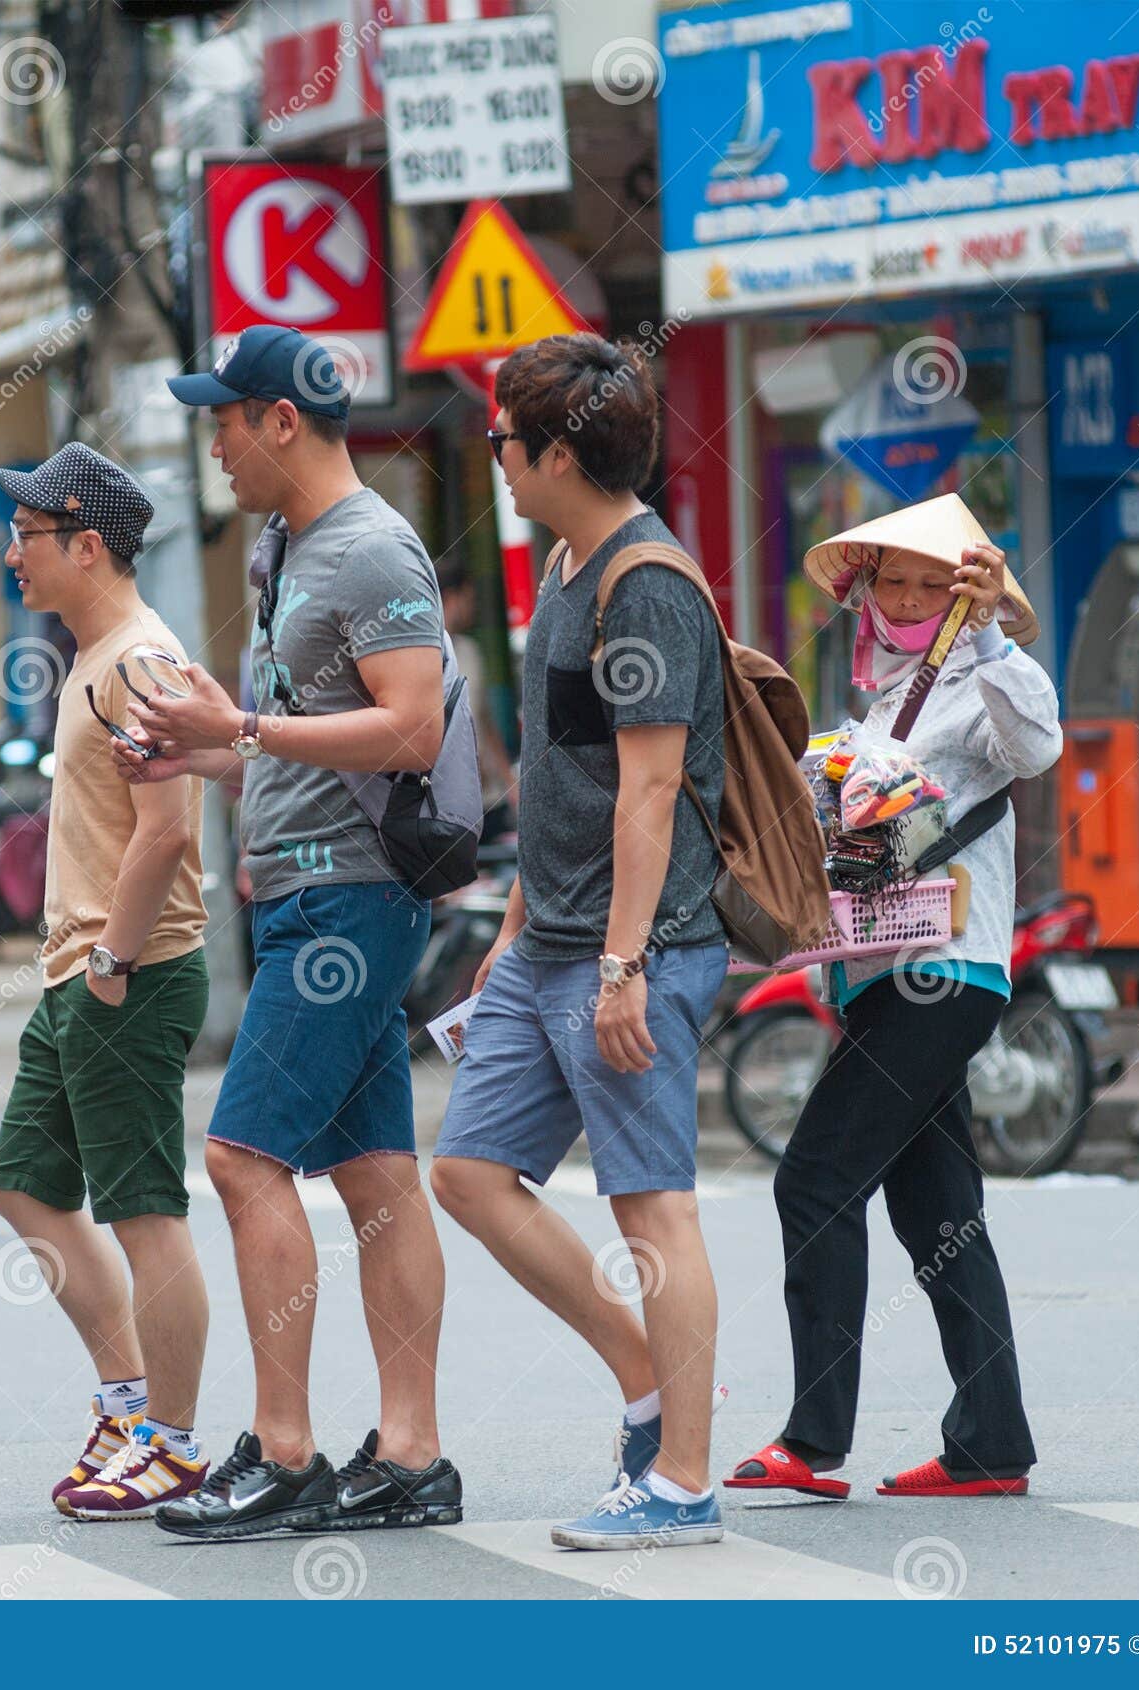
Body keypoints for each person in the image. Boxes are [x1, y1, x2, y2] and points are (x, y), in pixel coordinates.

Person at [114, 325, 462, 1540]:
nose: (211, 442)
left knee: (242, 1157)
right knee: (373, 1173)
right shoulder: (283, 546)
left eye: (224, 418)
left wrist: (247, 732)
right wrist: (207, 749)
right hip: (308, 890)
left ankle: (283, 1447)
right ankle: (412, 1453)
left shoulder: (370, 550)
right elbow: (305, 734)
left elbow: (410, 727)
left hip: (349, 899)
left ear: (279, 421)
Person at [429, 333, 730, 1550]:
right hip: (543, 938)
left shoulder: (643, 580)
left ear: (556, 451)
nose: (491, 455)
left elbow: (649, 792)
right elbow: (564, 770)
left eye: (502, 437)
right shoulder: (566, 558)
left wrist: (621, 967)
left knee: (653, 1209)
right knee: (467, 1172)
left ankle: (684, 1481)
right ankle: (648, 1384)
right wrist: (508, 928)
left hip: (631, 949)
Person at [728, 493, 1060, 1502]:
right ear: (865, 590)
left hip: (946, 973)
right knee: (939, 1210)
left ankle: (811, 1436)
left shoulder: (984, 682)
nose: (911, 596)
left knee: (813, 1179)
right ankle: (991, 1442)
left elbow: (1037, 743)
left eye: (932, 581)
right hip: (882, 974)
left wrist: (996, 625)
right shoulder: (881, 704)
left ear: (967, 593)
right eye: (894, 579)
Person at [0, 442, 211, 1520]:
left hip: (132, 970)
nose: (9, 556)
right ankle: (128, 1401)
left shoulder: (140, 658)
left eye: (26, 538)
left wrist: (113, 964)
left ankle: (169, 1439)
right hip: (76, 971)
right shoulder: (88, 651)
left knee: (143, 1210)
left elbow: (167, 830)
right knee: (24, 1180)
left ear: (87, 545)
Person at [436, 553, 516, 837]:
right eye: (468, 598)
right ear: (451, 597)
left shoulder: (470, 650)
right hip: (451, 802)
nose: (472, 607)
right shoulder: (427, 655)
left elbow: (485, 721)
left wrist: (510, 783)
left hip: (490, 797)